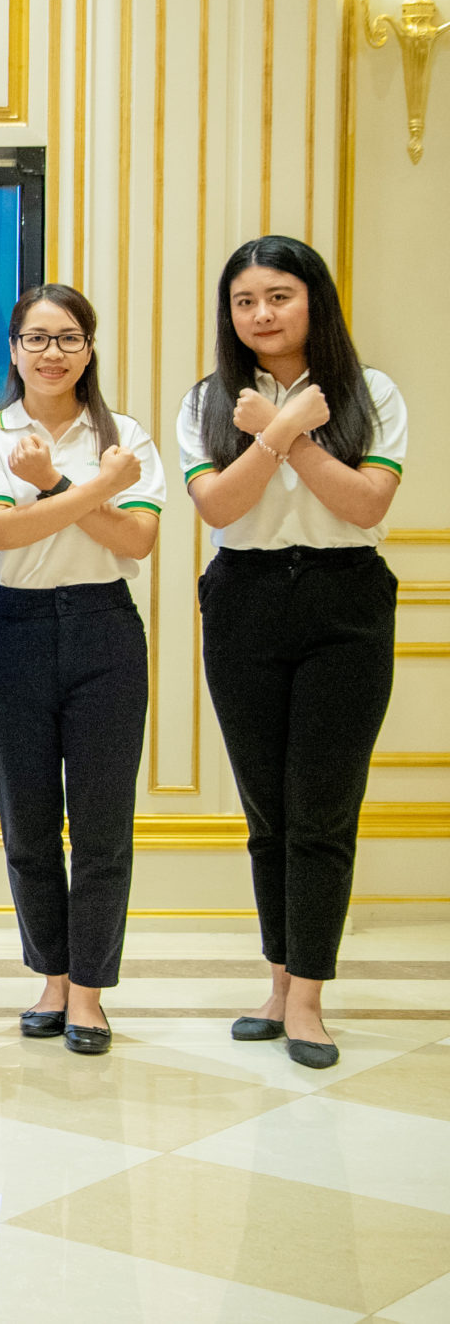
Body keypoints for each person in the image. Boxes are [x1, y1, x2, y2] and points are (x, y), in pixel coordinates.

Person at [180, 236, 405, 1070]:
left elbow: (366, 503)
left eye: (279, 296)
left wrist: (293, 435)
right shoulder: (208, 400)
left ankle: (308, 996)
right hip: (244, 598)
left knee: (323, 808)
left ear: (314, 300)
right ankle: (277, 983)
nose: (261, 314)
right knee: (267, 809)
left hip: (345, 601)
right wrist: (275, 431)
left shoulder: (369, 392)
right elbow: (219, 508)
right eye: (245, 301)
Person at [0, 286, 163, 1056]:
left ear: (90, 348)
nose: (53, 353)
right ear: (14, 349)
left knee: (103, 825)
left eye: (69, 337)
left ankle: (89, 992)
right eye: (37, 338)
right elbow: (2, 530)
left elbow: (136, 540)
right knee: (29, 824)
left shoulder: (124, 437)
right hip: (11, 628)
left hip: (104, 628)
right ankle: (51, 978)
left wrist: (56, 485)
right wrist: (95, 491)